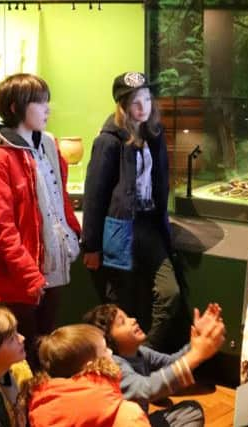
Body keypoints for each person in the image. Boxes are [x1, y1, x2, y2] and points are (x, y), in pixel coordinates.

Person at [0, 73, 81, 369]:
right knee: (26, 350)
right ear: (15, 107)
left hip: (52, 264)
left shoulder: (47, 146)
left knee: (47, 343)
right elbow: (1, 226)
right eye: (39, 101)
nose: (47, 108)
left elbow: (58, 199)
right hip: (20, 275)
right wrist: (30, 275)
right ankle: (27, 409)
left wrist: (73, 237)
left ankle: (48, 403)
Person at [82, 71, 181, 351]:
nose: (144, 107)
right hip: (118, 229)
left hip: (149, 226)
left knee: (169, 293)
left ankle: (146, 352)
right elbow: (95, 195)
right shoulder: (108, 142)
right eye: (137, 101)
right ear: (123, 105)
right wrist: (91, 245)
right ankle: (119, 363)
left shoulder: (154, 135)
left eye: (147, 99)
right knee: (119, 305)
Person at [84, 302, 225, 427]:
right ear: (108, 341)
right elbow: (146, 388)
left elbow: (171, 362)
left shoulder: (140, 352)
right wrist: (196, 355)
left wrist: (197, 341)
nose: (133, 320)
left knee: (191, 412)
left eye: (128, 316)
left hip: (140, 421)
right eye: (122, 322)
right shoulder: (113, 365)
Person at [19, 324, 150, 427]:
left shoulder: (39, 408)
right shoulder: (127, 414)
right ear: (91, 365)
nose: (110, 352)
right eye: (104, 350)